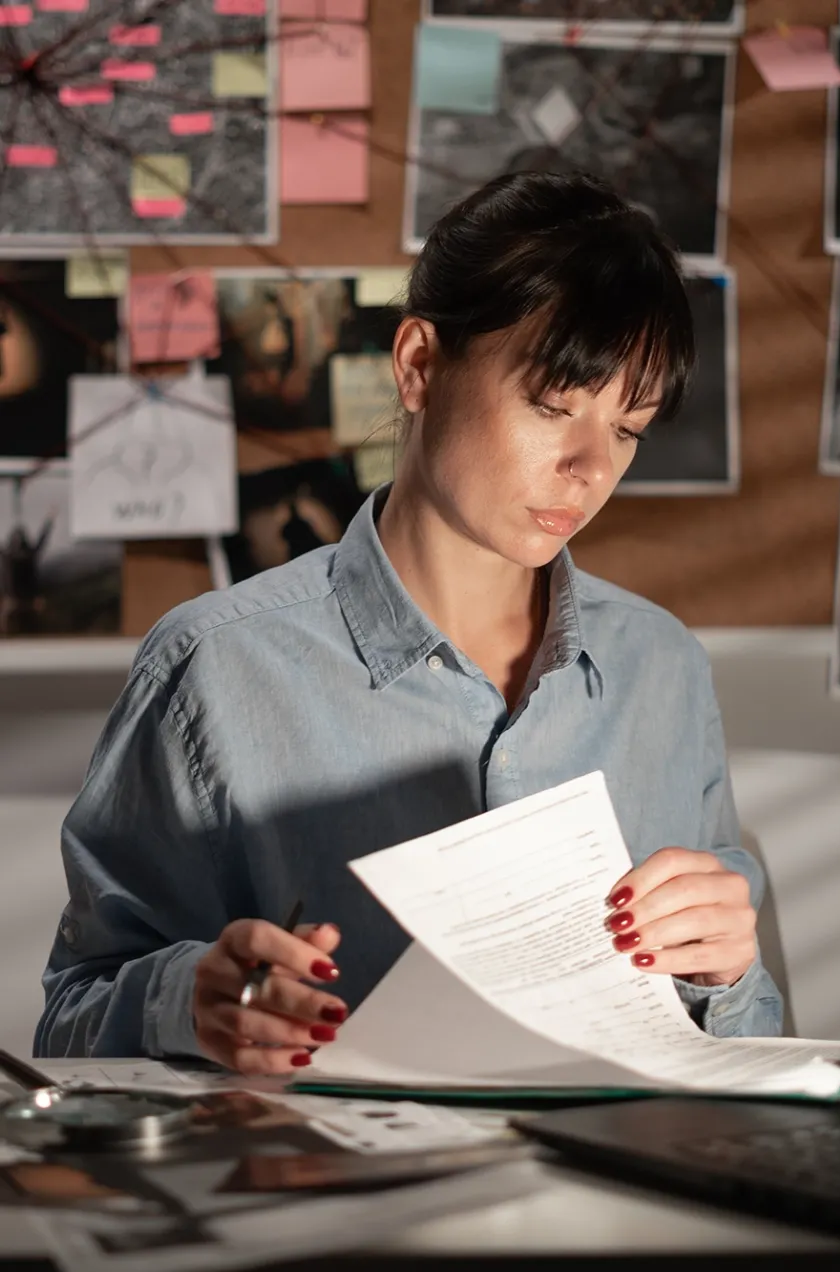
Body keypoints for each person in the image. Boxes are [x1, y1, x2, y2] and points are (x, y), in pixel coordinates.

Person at [36, 171, 784, 1072]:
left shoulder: (662, 667)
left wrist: (726, 976)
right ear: (421, 364)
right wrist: (189, 1002)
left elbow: (751, 1054)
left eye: (628, 429)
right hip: (332, 1200)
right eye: (552, 408)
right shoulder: (216, 668)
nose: (591, 467)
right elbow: (68, 1023)